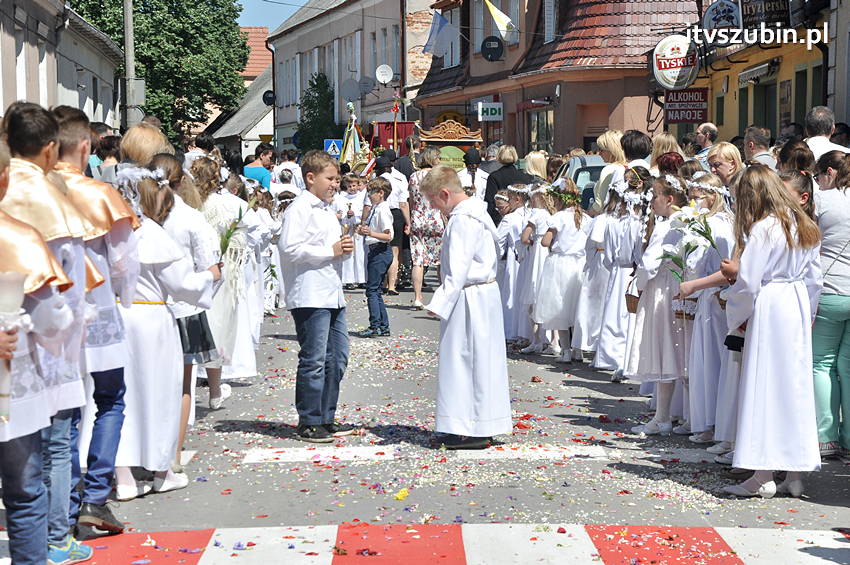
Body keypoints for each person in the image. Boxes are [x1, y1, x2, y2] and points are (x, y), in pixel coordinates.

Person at [0, 102, 95, 563]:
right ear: (51, 147)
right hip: (31, 357)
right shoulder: (40, 211)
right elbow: (60, 300)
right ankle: (56, 537)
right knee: (35, 471)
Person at [51, 106, 142, 535]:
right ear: (85, 144)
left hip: (51, 313)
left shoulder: (33, 193)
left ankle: (65, 504)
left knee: (65, 411)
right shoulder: (101, 194)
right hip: (99, 309)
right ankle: (96, 495)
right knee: (110, 399)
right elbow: (125, 261)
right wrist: (122, 299)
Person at [112, 167, 219, 499]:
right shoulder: (154, 235)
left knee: (118, 395)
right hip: (152, 319)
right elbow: (183, 284)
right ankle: (161, 470)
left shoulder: (112, 233)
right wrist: (211, 275)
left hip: (117, 316)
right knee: (159, 392)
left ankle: (124, 476)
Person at [722, 165, 822, 498]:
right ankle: (794, 473)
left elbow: (749, 281)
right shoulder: (805, 224)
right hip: (794, 304)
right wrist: (807, 314)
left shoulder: (765, 228)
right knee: (792, 388)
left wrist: (734, 311)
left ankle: (762, 473)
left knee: (763, 384)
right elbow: (814, 280)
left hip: (771, 303)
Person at [421, 165, 513, 449]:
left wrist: (439, 303)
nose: (434, 208)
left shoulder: (463, 219)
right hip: (480, 294)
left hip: (469, 296)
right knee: (477, 360)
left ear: (445, 193)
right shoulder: (477, 211)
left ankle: (472, 427)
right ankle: (465, 423)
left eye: (434, 201)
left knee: (466, 360)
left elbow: (458, 268)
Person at [279, 150, 356, 443]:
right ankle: (309, 419)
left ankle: (326, 415)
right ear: (311, 178)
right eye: (331, 178)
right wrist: (330, 252)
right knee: (314, 358)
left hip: (331, 291)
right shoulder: (300, 208)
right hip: (310, 293)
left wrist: (343, 250)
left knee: (337, 356)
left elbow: (330, 249)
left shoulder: (326, 209)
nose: (336, 184)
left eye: (337, 179)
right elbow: (290, 248)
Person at [626, 175, 691, 436]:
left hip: (663, 291)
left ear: (669, 199)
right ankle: (678, 414)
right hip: (678, 288)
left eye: (655, 196)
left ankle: (663, 416)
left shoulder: (667, 227)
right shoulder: (688, 221)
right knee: (678, 352)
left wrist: (638, 285)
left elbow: (649, 264)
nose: (652, 201)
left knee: (665, 351)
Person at [678, 173, 735, 445]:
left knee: (709, 361)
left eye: (696, 196)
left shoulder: (710, 224)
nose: (692, 201)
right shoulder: (729, 221)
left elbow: (695, 264)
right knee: (718, 361)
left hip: (711, 297)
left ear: (711, 197)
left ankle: (711, 423)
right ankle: (713, 422)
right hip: (718, 298)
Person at [810, 153, 850, 459]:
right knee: (847, 368)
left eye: (820, 175)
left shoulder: (824, 200)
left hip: (831, 288)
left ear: (831, 173)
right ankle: (849, 438)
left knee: (821, 364)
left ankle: (825, 437)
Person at [533, 180, 588, 364]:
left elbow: (545, 242)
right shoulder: (585, 218)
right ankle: (578, 350)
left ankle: (565, 350)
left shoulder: (559, 218)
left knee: (560, 307)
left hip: (560, 265)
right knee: (577, 308)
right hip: (580, 263)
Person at [408, 146, 445, 309]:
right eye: (438, 158)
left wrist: (410, 219)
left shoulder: (414, 176)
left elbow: (411, 199)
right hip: (435, 218)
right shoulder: (439, 177)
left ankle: (417, 297)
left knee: (418, 260)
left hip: (418, 218)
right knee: (440, 260)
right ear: (432, 159)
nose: (440, 161)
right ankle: (442, 297)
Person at [357, 177, 394, 337]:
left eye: (371, 192)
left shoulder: (382, 209)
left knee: (371, 290)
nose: (369, 196)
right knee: (376, 290)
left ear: (381, 193)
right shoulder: (376, 208)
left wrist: (371, 233)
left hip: (380, 250)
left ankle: (375, 325)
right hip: (376, 249)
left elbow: (388, 235)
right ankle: (383, 326)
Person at [497, 185, 532, 342]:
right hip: (530, 258)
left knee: (512, 294)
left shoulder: (510, 219)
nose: (509, 202)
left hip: (514, 259)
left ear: (517, 199)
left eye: (510, 199)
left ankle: (512, 331)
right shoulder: (532, 214)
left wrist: (498, 258)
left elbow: (498, 242)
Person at [483, 145, 533, 224]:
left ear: (499, 156)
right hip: (523, 219)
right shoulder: (525, 176)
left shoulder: (494, 176)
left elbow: (490, 203)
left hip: (501, 219)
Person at [335, 174, 367, 290]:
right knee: (348, 254)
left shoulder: (362, 198)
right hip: (347, 229)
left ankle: (361, 278)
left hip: (358, 229)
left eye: (354, 185)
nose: (352, 188)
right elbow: (341, 212)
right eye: (349, 186)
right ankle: (349, 279)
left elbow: (364, 212)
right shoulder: (342, 198)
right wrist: (346, 216)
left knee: (360, 254)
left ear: (358, 185)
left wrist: (356, 216)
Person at [590, 130, 627, 214]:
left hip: (608, 219)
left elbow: (599, 205)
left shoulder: (609, 169)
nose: (599, 153)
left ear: (612, 150)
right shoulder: (631, 167)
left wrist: (586, 214)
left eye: (601, 149)